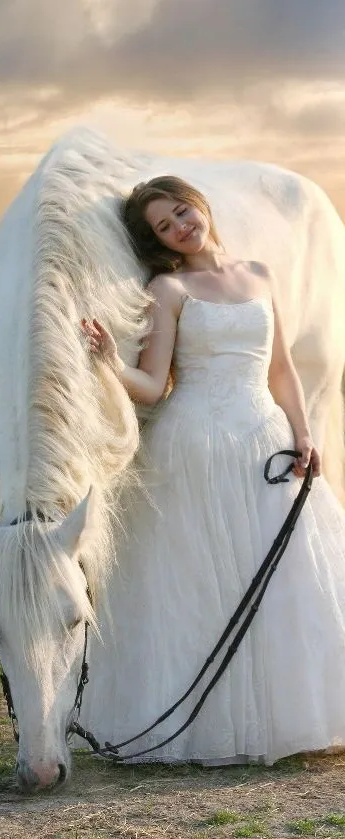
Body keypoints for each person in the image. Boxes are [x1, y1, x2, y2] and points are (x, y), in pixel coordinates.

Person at [80, 176, 345, 766]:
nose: (180, 227)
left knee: (287, 579)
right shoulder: (168, 288)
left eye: (180, 211)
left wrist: (303, 432)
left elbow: (281, 371)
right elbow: (151, 387)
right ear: (158, 241)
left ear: (200, 203)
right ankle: (209, 726)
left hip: (263, 440)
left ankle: (284, 717)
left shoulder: (259, 273)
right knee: (200, 585)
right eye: (164, 226)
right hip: (193, 445)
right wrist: (106, 363)